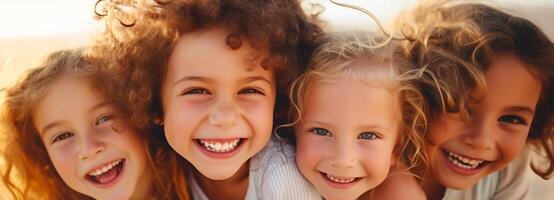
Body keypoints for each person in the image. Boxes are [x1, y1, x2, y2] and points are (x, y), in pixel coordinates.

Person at [91, 0, 323, 199]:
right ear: (155, 102)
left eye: (250, 91)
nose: (224, 117)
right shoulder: (170, 168)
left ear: (277, 97)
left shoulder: (282, 179)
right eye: (197, 91)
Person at [373, 1, 554, 199]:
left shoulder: (506, 173)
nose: (482, 141)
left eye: (511, 119)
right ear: (413, 97)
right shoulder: (354, 168)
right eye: (461, 108)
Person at [0, 48, 190, 199]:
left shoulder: (205, 186)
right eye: (62, 136)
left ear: (140, 114)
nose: (89, 149)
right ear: (43, 155)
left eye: (104, 119)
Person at [281, 32, 427, 200]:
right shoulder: (275, 181)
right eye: (321, 131)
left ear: (396, 148)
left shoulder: (402, 195)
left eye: (368, 135)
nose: (343, 160)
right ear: (293, 128)